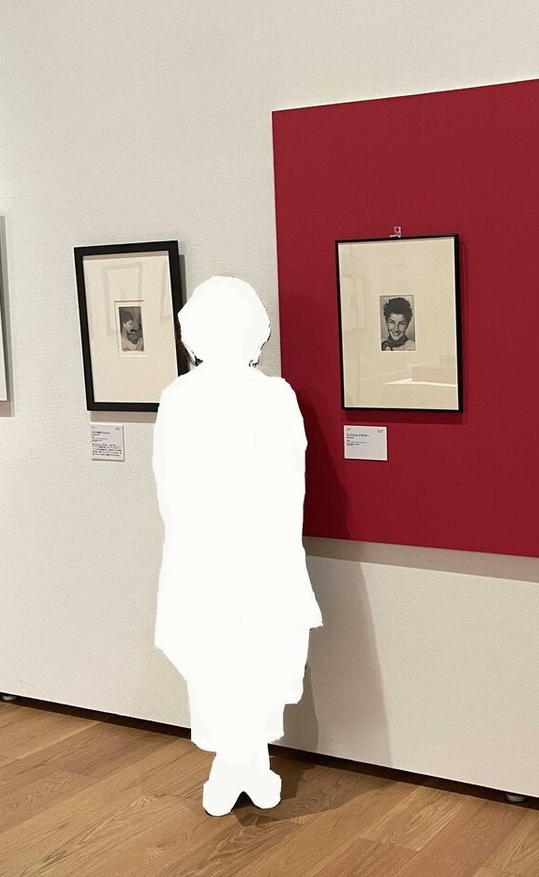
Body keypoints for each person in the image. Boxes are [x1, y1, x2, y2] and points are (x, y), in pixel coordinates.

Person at [152, 275, 322, 817]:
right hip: (250, 552)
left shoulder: (183, 396)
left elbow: (168, 484)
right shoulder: (271, 395)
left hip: (213, 553)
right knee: (247, 657)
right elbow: (290, 486)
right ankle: (243, 766)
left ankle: (241, 766)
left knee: (226, 658)